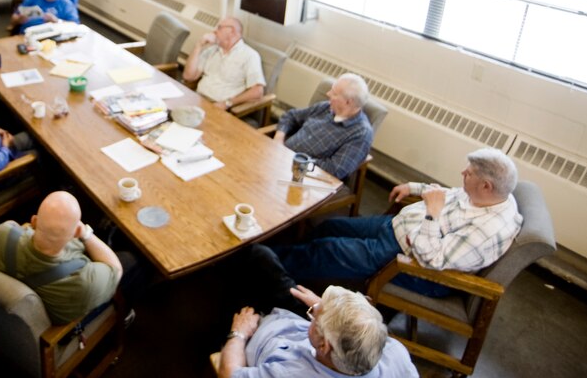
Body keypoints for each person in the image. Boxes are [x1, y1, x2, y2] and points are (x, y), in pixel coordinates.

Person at [258, 148, 523, 299]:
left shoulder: (488, 231)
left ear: (486, 185)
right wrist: (415, 187)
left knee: (329, 249)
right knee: (332, 227)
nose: (462, 175)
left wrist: (431, 214)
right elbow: (451, 193)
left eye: (469, 174)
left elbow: (433, 260)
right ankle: (292, 260)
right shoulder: (492, 194)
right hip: (397, 229)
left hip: (408, 262)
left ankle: (265, 264)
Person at [0, 191, 124, 324]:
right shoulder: (83, 281)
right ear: (76, 232)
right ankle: (125, 315)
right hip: (56, 330)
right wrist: (86, 234)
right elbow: (116, 270)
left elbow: (13, 229)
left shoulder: (0, 235)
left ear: (34, 221)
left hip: (1, 316)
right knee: (132, 262)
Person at [219, 285, 417, 378]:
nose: (316, 309)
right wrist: (327, 309)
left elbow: (230, 373)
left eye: (317, 317)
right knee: (262, 257)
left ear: (324, 345)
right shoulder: (395, 353)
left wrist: (239, 332)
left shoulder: (289, 374)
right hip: (289, 324)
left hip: (253, 334)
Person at [273, 73, 374, 180]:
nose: (328, 94)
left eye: (334, 93)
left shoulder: (361, 133)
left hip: (304, 176)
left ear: (348, 102)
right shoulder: (326, 107)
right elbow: (291, 116)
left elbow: (334, 170)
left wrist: (294, 159)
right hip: (280, 155)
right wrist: (279, 138)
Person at [182, 17, 265, 111]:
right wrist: (199, 45)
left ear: (232, 31)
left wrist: (228, 103)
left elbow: (257, 92)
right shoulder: (212, 50)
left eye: (219, 27)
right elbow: (188, 76)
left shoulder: (249, 55)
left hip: (219, 107)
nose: (215, 31)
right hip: (199, 99)